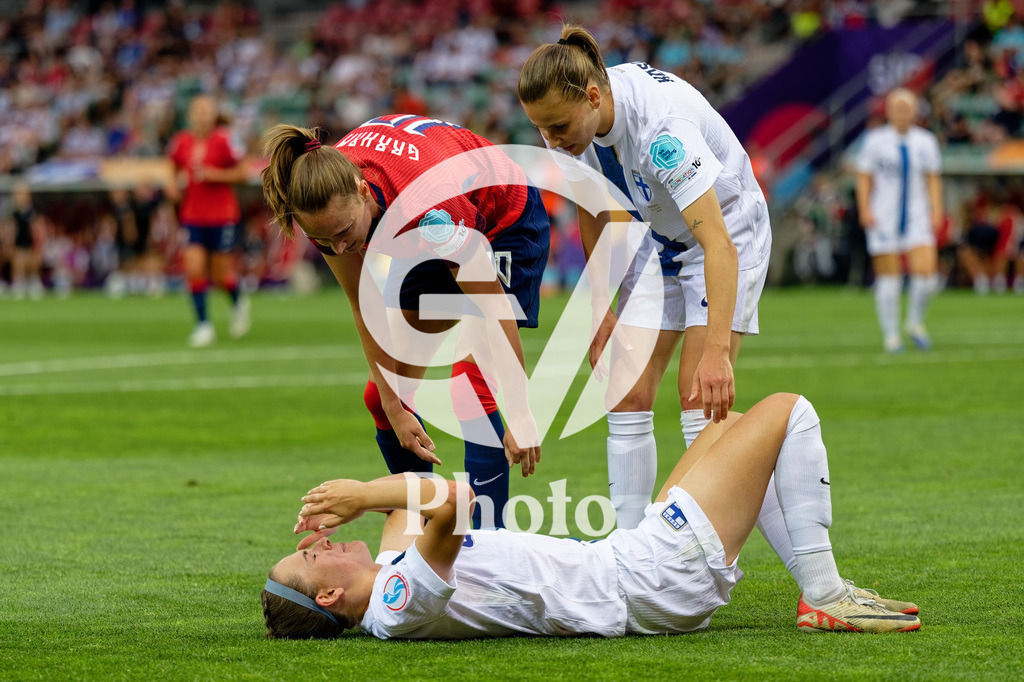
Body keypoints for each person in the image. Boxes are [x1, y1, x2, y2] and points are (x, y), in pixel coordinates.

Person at [261, 392, 921, 639]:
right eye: (314, 554)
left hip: (632, 564)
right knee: (789, 410)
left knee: (736, 424)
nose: (325, 540)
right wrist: (363, 492)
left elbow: (416, 491)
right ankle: (826, 595)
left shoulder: (388, 574)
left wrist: (389, 418)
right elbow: (454, 503)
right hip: (648, 581)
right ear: (327, 593)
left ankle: (819, 588)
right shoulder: (399, 603)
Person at [515, 25, 773, 533]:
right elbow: (595, 211)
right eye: (541, 130)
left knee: (700, 395)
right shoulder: (579, 121)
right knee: (625, 391)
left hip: (723, 236)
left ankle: (702, 556)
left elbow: (718, 244)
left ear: (593, 97)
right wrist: (598, 309)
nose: (552, 141)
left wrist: (718, 349)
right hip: (659, 237)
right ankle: (628, 552)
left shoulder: (663, 135)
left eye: (558, 127)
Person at [260, 114, 551, 528]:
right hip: (418, 227)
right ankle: (425, 528)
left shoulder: (430, 210)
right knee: (382, 396)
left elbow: (492, 308)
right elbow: (365, 308)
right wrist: (396, 409)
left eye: (344, 232)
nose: (340, 247)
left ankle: (489, 550)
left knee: (470, 389)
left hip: (504, 218)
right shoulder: (322, 206)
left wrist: (520, 410)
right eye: (326, 242)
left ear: (362, 191)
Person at [855, 88, 944, 352]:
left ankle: (915, 322)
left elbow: (933, 179)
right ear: (889, 112)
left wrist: (937, 210)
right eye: (898, 109)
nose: (903, 114)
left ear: (915, 112)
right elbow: (864, 177)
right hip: (884, 217)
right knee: (889, 278)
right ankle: (891, 335)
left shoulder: (926, 142)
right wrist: (865, 209)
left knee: (927, 275)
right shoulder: (874, 141)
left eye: (907, 109)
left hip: (917, 217)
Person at [167, 94, 251, 348]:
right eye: (198, 111)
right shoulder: (181, 142)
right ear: (190, 115)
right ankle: (203, 326)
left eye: (207, 111)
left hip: (223, 215)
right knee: (193, 268)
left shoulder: (226, 139)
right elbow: (172, 168)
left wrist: (216, 175)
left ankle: (238, 301)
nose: (202, 116)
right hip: (192, 216)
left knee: (220, 275)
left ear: (213, 115)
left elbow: (244, 173)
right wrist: (172, 184)